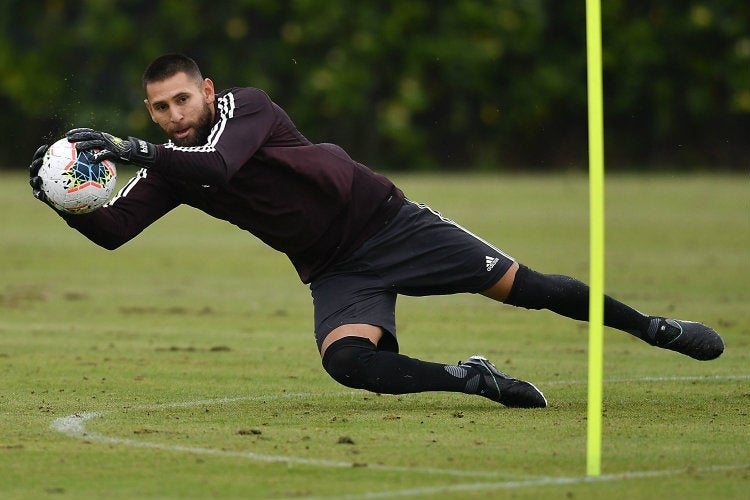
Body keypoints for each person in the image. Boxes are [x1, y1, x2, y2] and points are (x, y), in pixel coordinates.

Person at [29, 54, 724, 409]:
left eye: (182, 99)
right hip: (335, 269)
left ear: (207, 90)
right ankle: (469, 381)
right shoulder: (172, 162)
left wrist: (133, 150)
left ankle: (652, 327)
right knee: (348, 365)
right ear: (150, 111)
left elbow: (219, 163)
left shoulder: (246, 109)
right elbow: (116, 228)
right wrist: (63, 200)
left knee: (528, 288)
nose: (174, 114)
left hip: (389, 225)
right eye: (159, 109)